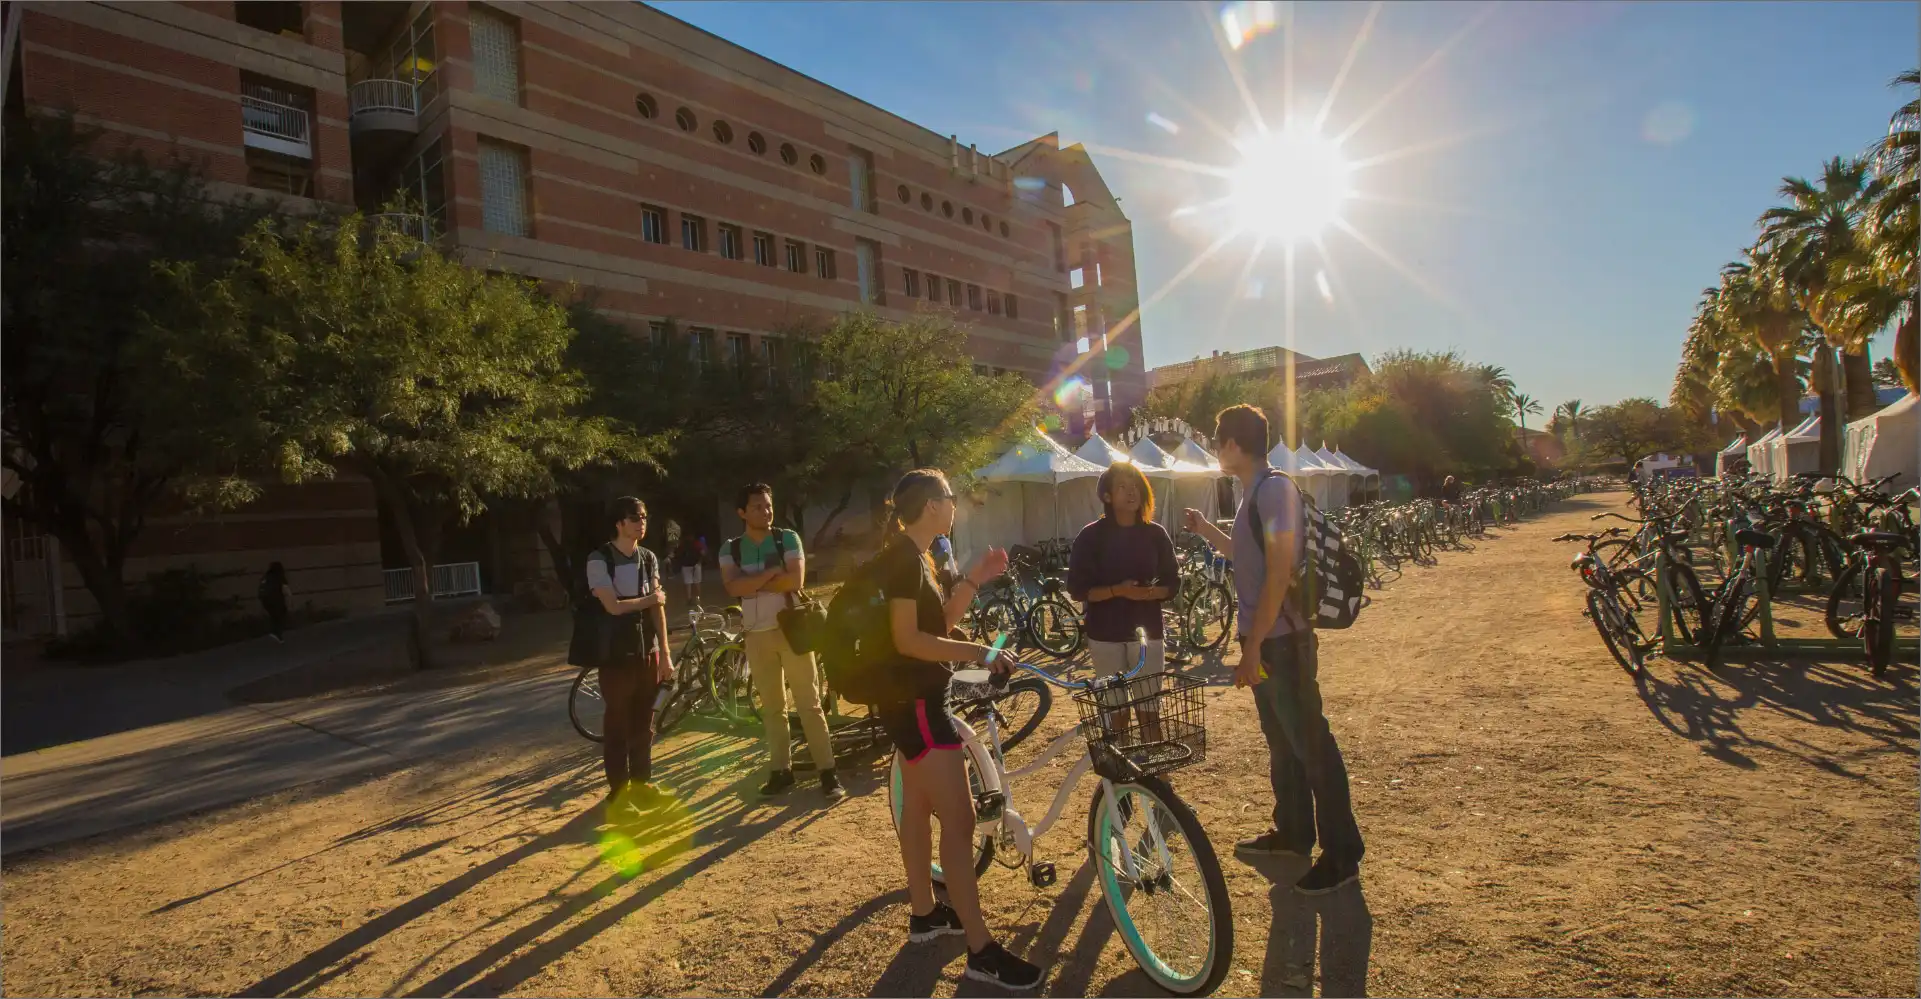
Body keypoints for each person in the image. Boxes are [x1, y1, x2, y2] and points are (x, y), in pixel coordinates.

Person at [873, 468, 1047, 991]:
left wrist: (975, 577)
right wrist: (979, 653)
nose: (955, 505)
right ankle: (981, 950)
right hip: (920, 705)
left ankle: (926, 914)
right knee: (961, 820)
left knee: (919, 810)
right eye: (950, 497)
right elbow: (908, 640)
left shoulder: (914, 556)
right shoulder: (904, 560)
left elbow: (937, 625)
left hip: (913, 702)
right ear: (931, 505)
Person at [1182, 405, 1365, 896]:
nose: (1216, 451)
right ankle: (1294, 833)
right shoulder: (1252, 495)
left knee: (1312, 746)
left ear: (1234, 445)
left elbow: (1280, 573)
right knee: (1283, 743)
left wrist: (1254, 646)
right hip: (1268, 640)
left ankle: (1342, 853)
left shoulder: (1273, 490)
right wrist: (1205, 531)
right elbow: (1250, 557)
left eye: (1219, 441)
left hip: (1282, 641)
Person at [720, 483, 843, 802]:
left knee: (809, 702)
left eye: (768, 505)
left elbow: (795, 580)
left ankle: (828, 772)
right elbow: (732, 589)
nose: (766, 511)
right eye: (758, 506)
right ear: (742, 513)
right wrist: (772, 573)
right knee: (772, 708)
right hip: (755, 635)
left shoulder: (787, 537)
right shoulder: (730, 549)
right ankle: (781, 770)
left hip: (792, 630)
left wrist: (753, 583)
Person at [1066, 461, 1179, 732]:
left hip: (1147, 633)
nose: (1132, 492)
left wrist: (1149, 593)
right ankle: (1121, 770)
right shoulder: (1091, 536)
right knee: (1115, 707)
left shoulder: (1155, 534)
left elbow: (1173, 583)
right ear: (1107, 496)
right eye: (1123, 487)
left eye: (1136, 486)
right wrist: (1118, 590)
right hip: (1105, 634)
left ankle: (1151, 767)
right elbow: (1078, 589)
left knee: (1149, 705)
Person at [586, 496, 675, 818]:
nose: (641, 523)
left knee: (644, 723)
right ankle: (618, 792)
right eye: (635, 518)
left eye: (644, 517)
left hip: (646, 651)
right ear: (619, 523)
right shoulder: (599, 560)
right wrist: (650, 599)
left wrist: (665, 653)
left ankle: (642, 784)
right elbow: (612, 606)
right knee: (618, 725)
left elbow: (658, 609)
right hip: (615, 654)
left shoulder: (648, 558)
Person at [258, 562, 292, 643]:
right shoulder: (279, 576)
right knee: (281, 613)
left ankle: (274, 631)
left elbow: (261, 587)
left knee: (274, 615)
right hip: (276, 600)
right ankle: (277, 633)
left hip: (266, 600)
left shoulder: (266, 576)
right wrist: (289, 596)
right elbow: (285, 588)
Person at [675, 530, 706, 607]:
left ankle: (689, 599)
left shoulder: (682, 544)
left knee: (688, 583)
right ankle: (697, 599)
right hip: (696, 564)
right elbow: (703, 553)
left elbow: (677, 554)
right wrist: (699, 561)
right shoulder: (697, 543)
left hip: (685, 566)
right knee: (697, 582)